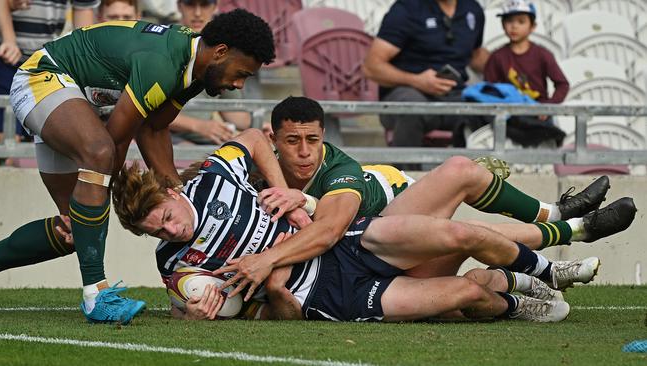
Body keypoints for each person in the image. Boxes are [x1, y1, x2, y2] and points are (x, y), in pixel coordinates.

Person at [111, 128, 603, 323]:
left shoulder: (212, 179)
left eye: (167, 219)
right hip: (329, 295)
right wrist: (199, 313)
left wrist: (283, 194)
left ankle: (549, 263)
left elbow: (254, 139)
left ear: (173, 193)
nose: (171, 231)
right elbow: (185, 309)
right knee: (465, 294)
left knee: (463, 234)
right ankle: (517, 299)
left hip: (349, 240)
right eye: (157, 232)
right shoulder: (175, 261)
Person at [0, 9, 275, 324]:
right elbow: (114, 142)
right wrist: (114, 197)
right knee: (98, 159)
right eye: (241, 73)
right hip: (44, 78)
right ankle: (96, 296)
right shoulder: (163, 64)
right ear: (221, 52)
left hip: (73, 100)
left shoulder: (194, 71)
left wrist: (179, 191)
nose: (238, 84)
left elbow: (153, 128)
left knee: (75, 228)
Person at [242, 96, 635, 287]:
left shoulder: (339, 167)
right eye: (293, 141)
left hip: (392, 217)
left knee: (461, 172)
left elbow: (330, 229)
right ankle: (576, 227)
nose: (305, 151)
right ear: (272, 138)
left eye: (313, 139)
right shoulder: (257, 166)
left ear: (324, 136)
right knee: (468, 238)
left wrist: (306, 203)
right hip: (370, 251)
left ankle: (559, 217)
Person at [362, 0, 489, 154]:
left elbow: (475, 56)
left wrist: (513, 63)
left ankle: (472, 174)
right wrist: (417, 81)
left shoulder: (473, 9)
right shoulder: (406, 9)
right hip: (407, 92)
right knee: (412, 107)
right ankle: (405, 176)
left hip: (455, 95)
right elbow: (371, 67)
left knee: (490, 109)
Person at [0, 0, 96, 151]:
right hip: (5, 57)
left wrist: (82, 62)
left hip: (46, 61)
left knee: (48, 137)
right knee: (5, 137)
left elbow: (83, 8)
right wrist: (8, 39)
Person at [169, 0, 252, 145]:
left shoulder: (224, 52)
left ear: (215, 6)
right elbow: (145, 111)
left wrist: (259, 124)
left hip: (206, 141)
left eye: (205, 5)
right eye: (190, 5)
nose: (197, 13)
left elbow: (233, 112)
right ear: (179, 5)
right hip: (162, 135)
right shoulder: (165, 44)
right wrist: (198, 126)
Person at [484, 0, 569, 106]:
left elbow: (562, 84)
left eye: (521, 21)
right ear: (502, 25)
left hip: (539, 115)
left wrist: (548, 107)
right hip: (509, 116)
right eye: (509, 21)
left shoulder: (543, 54)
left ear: (533, 26)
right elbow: (489, 89)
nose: (514, 26)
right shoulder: (497, 57)